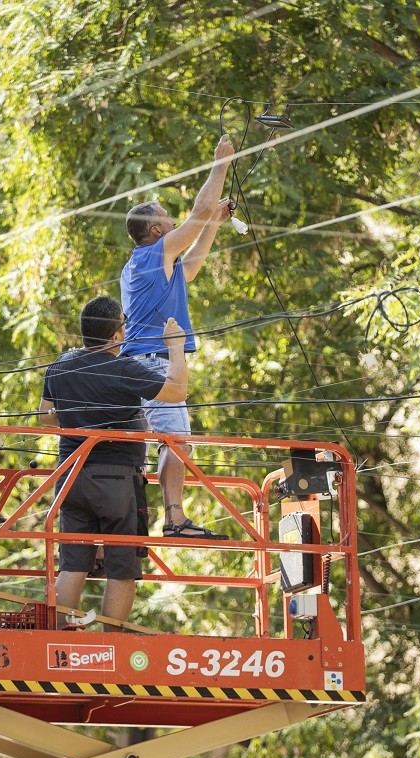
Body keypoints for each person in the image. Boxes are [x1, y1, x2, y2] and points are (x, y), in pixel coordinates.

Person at [39, 296, 187, 630]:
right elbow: (177, 392)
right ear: (116, 336)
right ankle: (110, 644)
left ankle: (59, 637)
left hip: (71, 477)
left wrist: (82, 416)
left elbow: (44, 417)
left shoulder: (60, 366)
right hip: (118, 480)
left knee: (73, 563)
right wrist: (175, 347)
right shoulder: (123, 368)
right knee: (123, 564)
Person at [120, 133, 235, 538]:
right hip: (156, 366)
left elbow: (189, 270)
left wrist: (213, 226)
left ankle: (172, 516)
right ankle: (175, 519)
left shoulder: (145, 264)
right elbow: (200, 209)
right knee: (177, 440)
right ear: (155, 230)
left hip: (140, 365)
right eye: (168, 218)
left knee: (174, 440)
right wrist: (220, 162)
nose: (174, 221)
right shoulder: (154, 254)